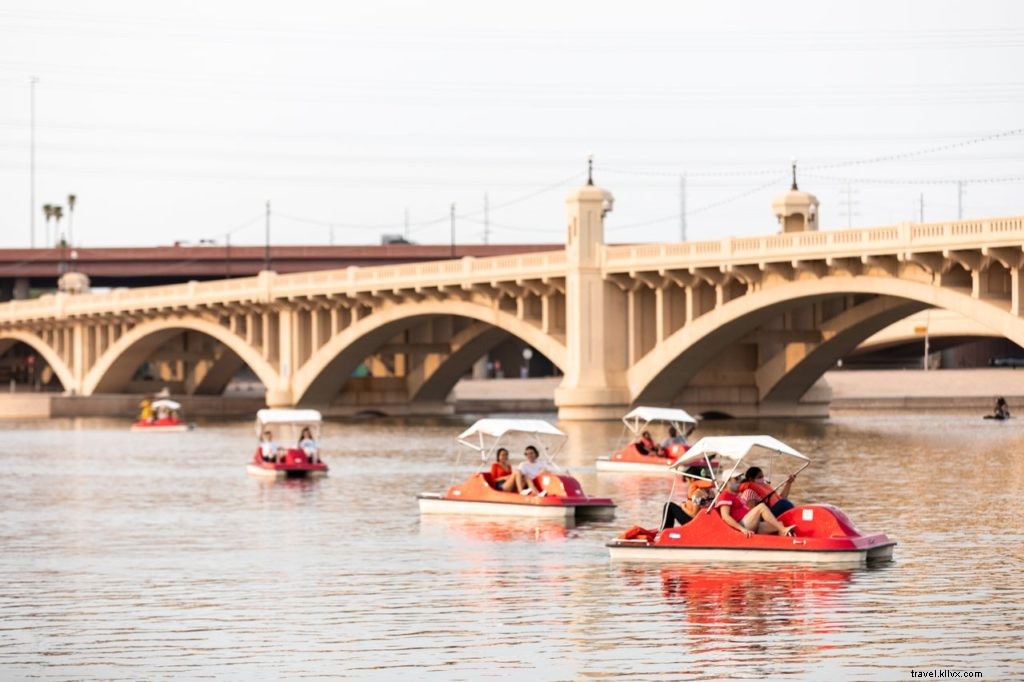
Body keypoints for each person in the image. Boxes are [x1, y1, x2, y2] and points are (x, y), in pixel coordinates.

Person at [715, 473, 795, 537]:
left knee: (779, 524)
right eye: (736, 479)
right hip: (743, 524)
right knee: (761, 507)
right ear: (727, 481)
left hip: (750, 523)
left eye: (739, 478)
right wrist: (742, 529)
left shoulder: (735, 495)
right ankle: (783, 530)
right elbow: (725, 516)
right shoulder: (725, 495)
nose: (739, 481)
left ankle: (786, 544)